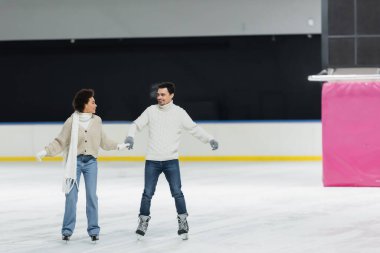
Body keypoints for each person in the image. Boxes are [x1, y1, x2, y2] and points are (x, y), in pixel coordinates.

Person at [124, 82, 219, 240]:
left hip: (171, 161)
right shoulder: (151, 111)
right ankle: (143, 221)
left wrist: (209, 139)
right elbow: (136, 124)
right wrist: (130, 136)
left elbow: (194, 129)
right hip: (152, 160)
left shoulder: (179, 113)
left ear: (171, 95)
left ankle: (183, 222)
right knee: (147, 193)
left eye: (163, 94)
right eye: (158, 94)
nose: (159, 97)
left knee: (177, 193)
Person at [36, 88, 127, 242]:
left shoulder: (97, 121)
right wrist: (46, 151)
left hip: (91, 163)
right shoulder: (72, 121)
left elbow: (103, 141)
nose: (96, 105)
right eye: (93, 102)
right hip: (74, 163)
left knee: (92, 196)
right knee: (71, 197)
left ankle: (93, 230)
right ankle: (67, 230)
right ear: (85, 104)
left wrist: (118, 146)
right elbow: (60, 141)